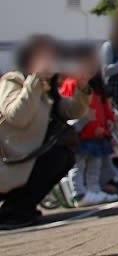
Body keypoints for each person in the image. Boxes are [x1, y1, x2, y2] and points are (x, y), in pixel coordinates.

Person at [0, 36, 92, 229]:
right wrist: (35, 78)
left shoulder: (46, 89)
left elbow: (70, 111)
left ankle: (20, 207)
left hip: (27, 159)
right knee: (56, 155)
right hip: (9, 160)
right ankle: (14, 211)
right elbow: (17, 116)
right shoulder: (12, 80)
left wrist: (82, 88)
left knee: (63, 155)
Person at [60, 47, 118, 206]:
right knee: (78, 165)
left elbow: (105, 109)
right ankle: (78, 193)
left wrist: (108, 122)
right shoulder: (70, 85)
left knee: (95, 166)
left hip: (98, 135)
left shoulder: (97, 87)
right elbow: (70, 111)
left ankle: (94, 191)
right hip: (81, 135)